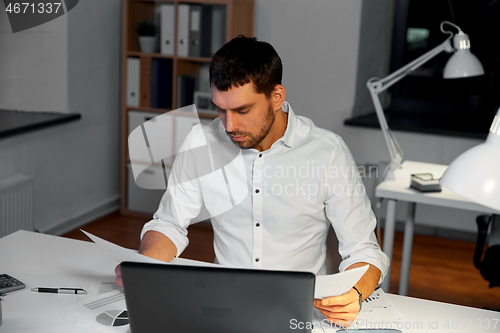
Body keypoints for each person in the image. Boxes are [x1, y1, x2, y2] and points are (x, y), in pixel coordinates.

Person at [116, 36, 389, 327]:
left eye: (242, 110)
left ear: (277, 96)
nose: (229, 125)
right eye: (221, 109)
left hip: (300, 313)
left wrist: (356, 293)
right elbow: (169, 224)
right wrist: (144, 267)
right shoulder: (201, 143)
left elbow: (364, 249)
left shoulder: (327, 151)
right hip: (221, 308)